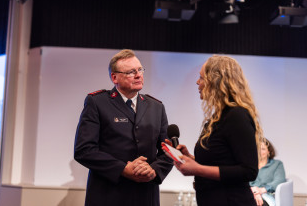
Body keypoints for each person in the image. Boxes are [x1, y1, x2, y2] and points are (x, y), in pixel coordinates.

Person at [74, 49, 173, 206]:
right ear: (115, 77)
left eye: (140, 70)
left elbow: (168, 151)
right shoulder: (97, 102)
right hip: (108, 195)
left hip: (145, 195)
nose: (138, 75)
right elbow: (84, 150)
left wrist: (154, 170)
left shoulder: (156, 107)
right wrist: (123, 169)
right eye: (131, 72)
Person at [164, 55, 264, 206]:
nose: (198, 82)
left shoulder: (236, 115)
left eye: (202, 78)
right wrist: (190, 159)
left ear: (217, 82)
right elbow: (222, 162)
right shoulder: (219, 117)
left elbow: (248, 171)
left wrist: (198, 169)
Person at [250, 138, 286, 206]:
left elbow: (279, 181)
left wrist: (261, 190)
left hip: (267, 195)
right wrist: (255, 193)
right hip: (250, 194)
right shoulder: (250, 165)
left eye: (263, 149)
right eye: (257, 149)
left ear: (269, 151)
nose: (260, 152)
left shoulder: (277, 164)